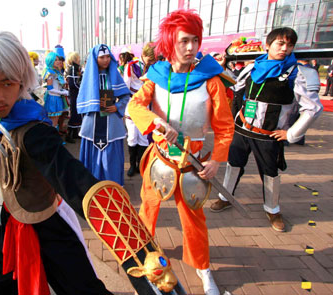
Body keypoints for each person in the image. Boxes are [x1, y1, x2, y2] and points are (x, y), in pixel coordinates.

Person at [0, 30, 112, 295]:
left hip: (47, 222)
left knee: (84, 289)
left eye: (8, 83)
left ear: (21, 82)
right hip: (11, 218)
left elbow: (70, 176)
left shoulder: (32, 129)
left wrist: (119, 225)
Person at [128, 10, 234, 295]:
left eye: (195, 41)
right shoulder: (156, 76)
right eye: (183, 41)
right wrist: (157, 122)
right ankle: (142, 257)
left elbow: (225, 127)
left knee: (194, 220)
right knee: (147, 210)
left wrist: (216, 160)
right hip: (160, 159)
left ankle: (203, 268)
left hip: (193, 164)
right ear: (169, 43)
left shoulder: (212, 80)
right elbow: (134, 106)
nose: (190, 48)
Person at [210, 27, 324, 233]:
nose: (284, 48)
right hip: (243, 129)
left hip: (269, 136)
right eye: (280, 43)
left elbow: (313, 108)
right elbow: (236, 87)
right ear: (268, 45)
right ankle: (225, 196)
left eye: (289, 45)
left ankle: (273, 209)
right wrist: (221, 69)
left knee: (270, 172)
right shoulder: (253, 67)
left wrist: (290, 134)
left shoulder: (296, 73)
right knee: (234, 164)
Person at [77, 44, 130, 186]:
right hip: (92, 123)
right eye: (102, 57)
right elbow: (83, 100)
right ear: (95, 58)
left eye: (108, 56)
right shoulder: (88, 78)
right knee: (92, 155)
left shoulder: (114, 75)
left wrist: (117, 106)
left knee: (112, 156)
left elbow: (126, 96)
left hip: (111, 123)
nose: (106, 60)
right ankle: (92, 186)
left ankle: (113, 186)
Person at [123, 43, 154, 177]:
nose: (152, 62)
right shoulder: (131, 66)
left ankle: (140, 165)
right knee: (132, 136)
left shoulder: (154, 67)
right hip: (133, 104)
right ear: (145, 55)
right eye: (150, 59)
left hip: (146, 106)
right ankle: (132, 165)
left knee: (143, 138)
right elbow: (126, 87)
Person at [42, 52, 69, 129]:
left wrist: (63, 91)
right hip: (52, 99)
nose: (58, 61)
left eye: (58, 60)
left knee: (55, 121)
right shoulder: (50, 73)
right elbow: (50, 89)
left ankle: (54, 138)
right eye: (55, 60)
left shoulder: (56, 72)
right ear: (50, 60)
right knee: (52, 122)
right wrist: (62, 92)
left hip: (57, 98)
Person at [65, 51, 82, 143]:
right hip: (74, 94)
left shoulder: (76, 68)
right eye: (77, 58)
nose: (79, 59)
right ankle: (68, 135)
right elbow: (73, 83)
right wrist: (82, 89)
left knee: (78, 112)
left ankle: (75, 133)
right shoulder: (71, 68)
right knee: (74, 113)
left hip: (77, 93)